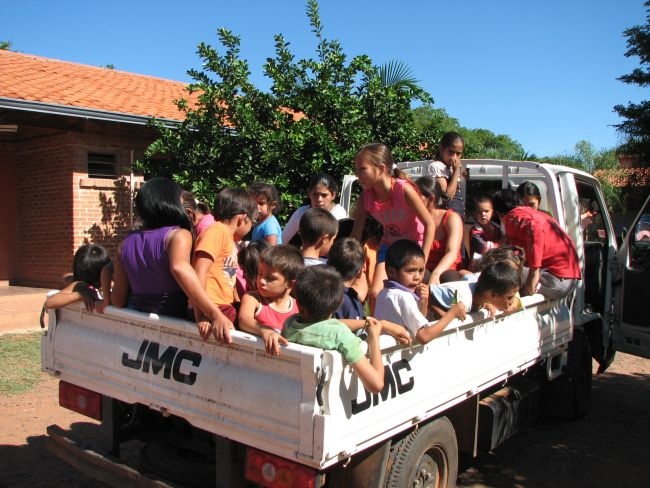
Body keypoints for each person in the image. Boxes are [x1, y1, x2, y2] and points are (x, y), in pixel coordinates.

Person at [111, 177, 227, 339]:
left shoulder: (124, 245)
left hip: (140, 327)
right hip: (176, 325)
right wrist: (214, 313)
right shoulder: (178, 236)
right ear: (169, 200)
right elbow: (180, 269)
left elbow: (117, 300)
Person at [350, 143, 435, 309]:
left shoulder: (404, 190)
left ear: (381, 169)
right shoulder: (366, 197)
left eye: (362, 169)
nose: (358, 175)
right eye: (356, 170)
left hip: (412, 245)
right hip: (389, 245)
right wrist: (351, 262)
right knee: (375, 293)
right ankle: (376, 331)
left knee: (408, 295)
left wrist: (422, 262)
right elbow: (355, 236)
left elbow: (429, 223)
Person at [282, 265, 385, 394]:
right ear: (339, 302)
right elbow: (376, 385)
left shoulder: (290, 324)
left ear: (298, 303)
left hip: (290, 393)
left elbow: (329, 325)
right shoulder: (340, 335)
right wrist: (374, 338)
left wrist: (364, 323)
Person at [193, 187, 258, 343]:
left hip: (220, 306)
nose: (251, 227)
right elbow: (198, 272)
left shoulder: (227, 237)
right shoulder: (216, 233)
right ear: (242, 218)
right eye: (253, 222)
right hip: (213, 307)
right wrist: (201, 314)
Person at [492, 188, 581, 299]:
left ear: (498, 213)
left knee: (499, 272)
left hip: (555, 279)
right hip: (567, 280)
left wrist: (534, 273)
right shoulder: (537, 214)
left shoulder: (512, 216)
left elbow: (535, 229)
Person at [374, 239, 466, 344]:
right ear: (391, 272)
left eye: (421, 271)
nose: (417, 277)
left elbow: (415, 323)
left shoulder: (383, 293)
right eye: (411, 271)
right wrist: (452, 313)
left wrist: (423, 302)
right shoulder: (404, 297)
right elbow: (423, 336)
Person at [328, 238, 412, 345]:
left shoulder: (325, 291)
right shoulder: (346, 300)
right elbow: (335, 325)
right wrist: (382, 324)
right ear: (362, 269)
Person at [238, 245, 304, 355]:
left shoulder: (298, 307)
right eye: (260, 273)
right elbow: (244, 319)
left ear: (290, 284)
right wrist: (264, 330)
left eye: (270, 278)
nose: (262, 281)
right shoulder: (253, 298)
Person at [415, 176, 463, 285]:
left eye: (417, 196)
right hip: (424, 267)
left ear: (431, 198)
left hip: (447, 268)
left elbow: (452, 252)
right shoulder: (414, 218)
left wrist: (436, 273)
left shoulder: (451, 218)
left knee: (448, 278)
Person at [281, 173, 347, 245]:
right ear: (309, 194)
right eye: (315, 194)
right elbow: (281, 241)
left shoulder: (338, 213)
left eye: (324, 195)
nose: (319, 199)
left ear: (333, 195)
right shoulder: (301, 213)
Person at [44, 244, 111, 312]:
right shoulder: (82, 286)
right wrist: (80, 295)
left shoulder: (79, 283)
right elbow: (49, 303)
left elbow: (65, 277)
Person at [426, 131, 467, 219]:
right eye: (451, 152)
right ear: (441, 149)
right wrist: (456, 172)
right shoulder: (437, 167)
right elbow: (447, 197)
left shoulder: (451, 168)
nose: (454, 157)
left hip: (457, 216)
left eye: (458, 153)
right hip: (447, 218)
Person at [249, 181, 283, 246]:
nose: (256, 207)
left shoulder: (270, 226)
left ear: (273, 205)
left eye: (261, 203)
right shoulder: (261, 221)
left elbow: (271, 251)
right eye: (253, 203)